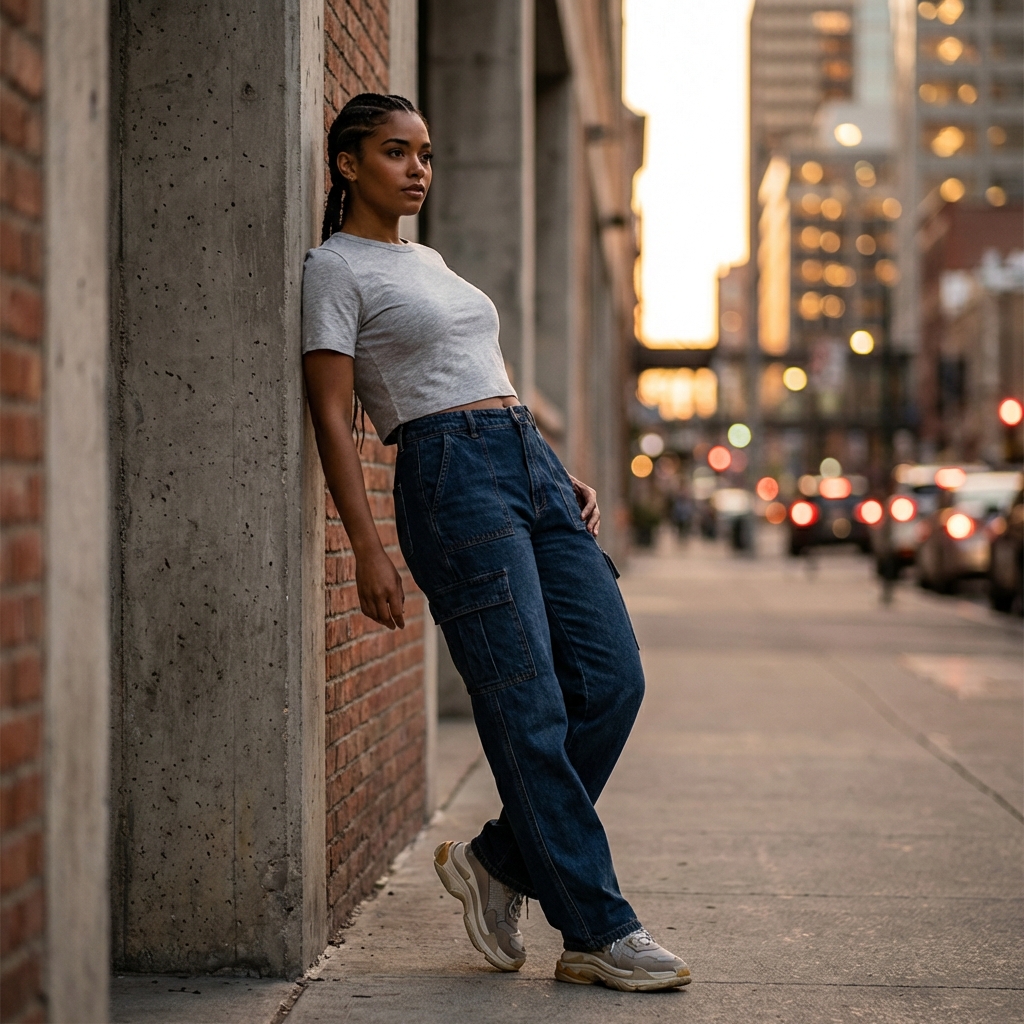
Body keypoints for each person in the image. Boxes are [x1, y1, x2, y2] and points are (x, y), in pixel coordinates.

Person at [302, 93, 690, 993]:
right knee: (530, 707)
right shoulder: (335, 268)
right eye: (396, 153)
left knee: (612, 679)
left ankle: (498, 862)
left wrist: (554, 469)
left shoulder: (428, 259)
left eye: (427, 154)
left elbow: (488, 373)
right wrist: (365, 545)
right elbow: (330, 409)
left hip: (529, 467)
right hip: (449, 479)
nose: (418, 170)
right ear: (349, 164)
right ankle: (597, 928)